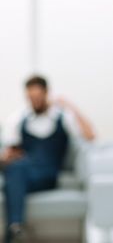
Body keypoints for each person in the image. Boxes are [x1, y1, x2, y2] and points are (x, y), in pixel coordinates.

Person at [0, 75, 95, 242]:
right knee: (14, 169)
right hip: (25, 171)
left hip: (48, 174)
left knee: (12, 177)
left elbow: (90, 135)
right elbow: (13, 150)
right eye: (30, 98)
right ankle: (16, 228)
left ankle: (13, 231)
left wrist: (70, 106)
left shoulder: (63, 117)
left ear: (46, 93)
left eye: (37, 97)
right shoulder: (19, 120)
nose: (34, 101)